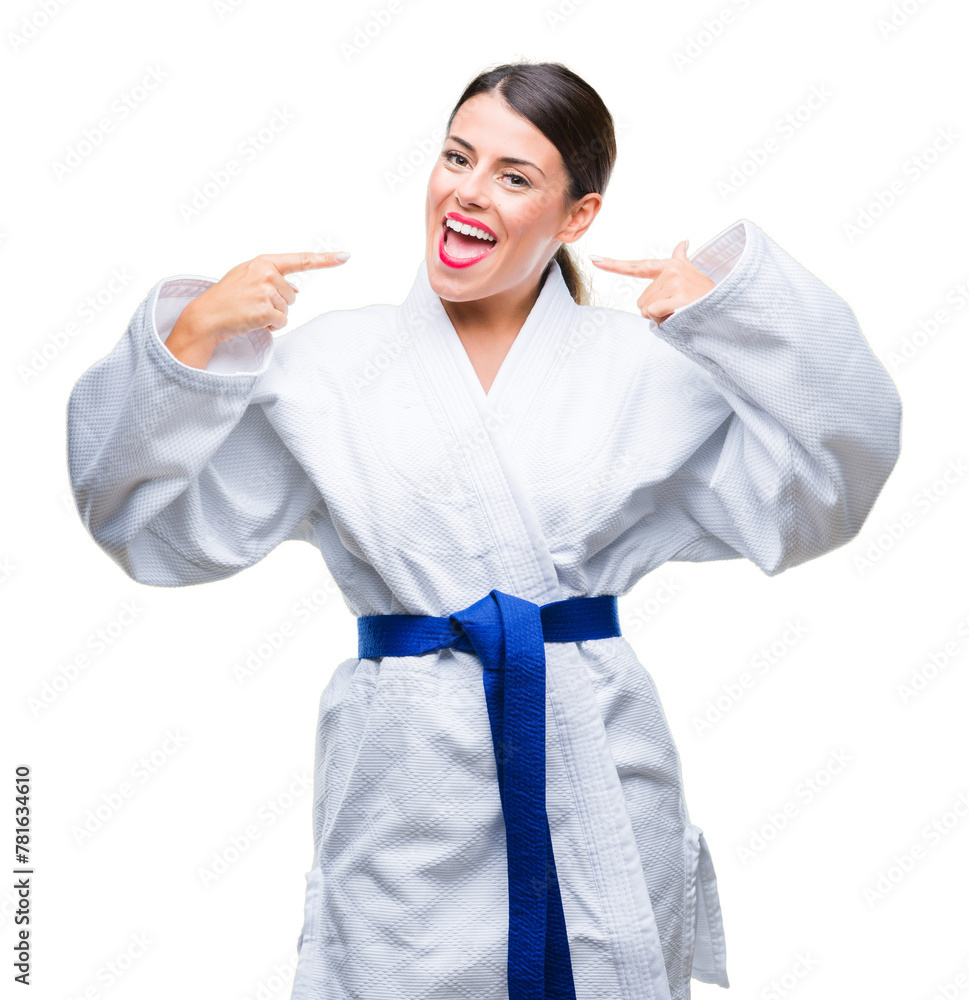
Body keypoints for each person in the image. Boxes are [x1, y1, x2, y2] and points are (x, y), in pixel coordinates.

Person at [66, 60, 903, 1000]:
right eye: (457, 157)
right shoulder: (331, 366)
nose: (467, 191)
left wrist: (736, 318)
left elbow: (830, 485)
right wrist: (189, 343)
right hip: (405, 790)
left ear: (577, 216)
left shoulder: (643, 364)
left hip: (597, 764)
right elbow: (137, 521)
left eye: (513, 175)